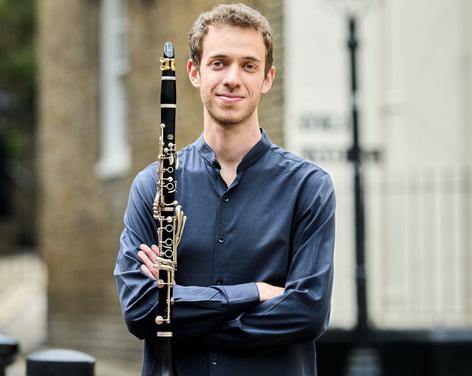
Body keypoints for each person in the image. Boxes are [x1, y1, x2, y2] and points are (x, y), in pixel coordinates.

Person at [114, 3, 335, 376]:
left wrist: (180, 316)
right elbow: (139, 310)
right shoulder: (151, 184)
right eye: (219, 63)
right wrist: (254, 293)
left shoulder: (308, 187)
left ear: (267, 78)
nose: (233, 77)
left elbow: (307, 312)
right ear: (194, 72)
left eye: (248, 65)